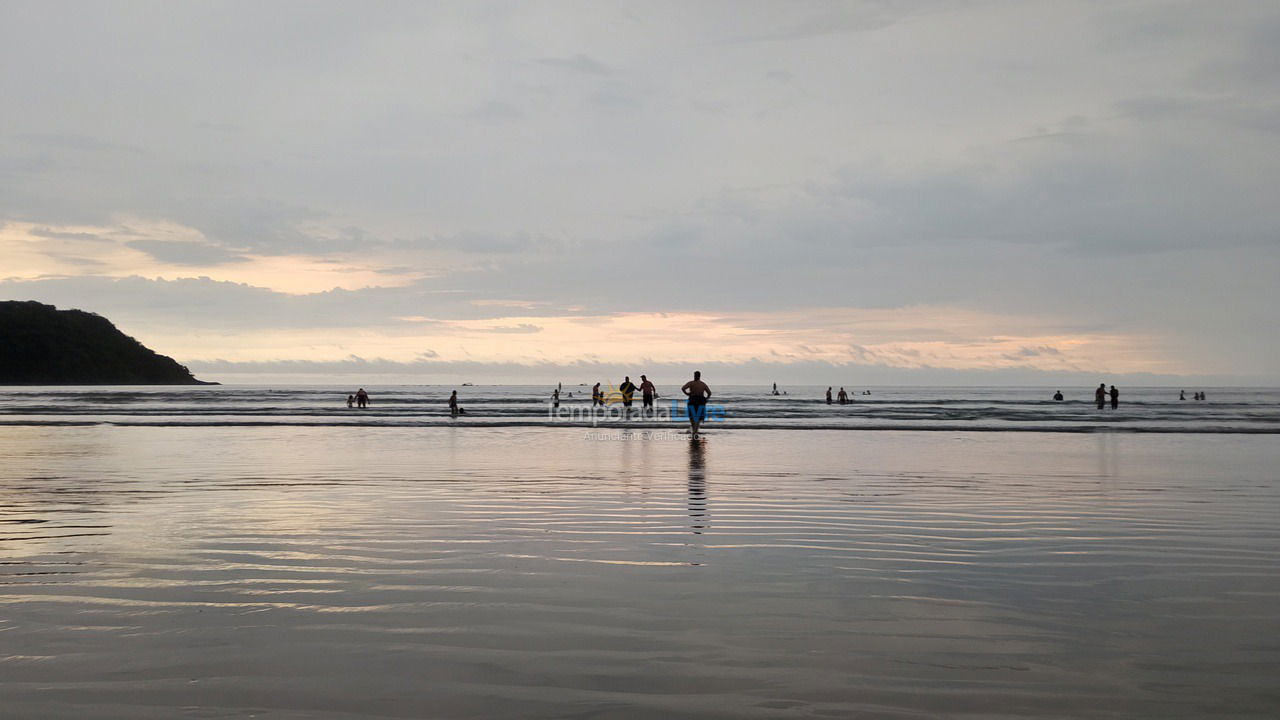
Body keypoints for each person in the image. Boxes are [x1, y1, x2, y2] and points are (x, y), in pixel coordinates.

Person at [682, 370, 712, 438]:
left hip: (692, 399)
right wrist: (706, 399)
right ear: (699, 376)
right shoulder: (703, 384)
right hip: (700, 400)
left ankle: (694, 429)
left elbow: (683, 388)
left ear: (695, 376)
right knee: (697, 416)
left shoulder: (691, 383)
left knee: (692, 416)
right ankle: (695, 430)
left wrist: (687, 394)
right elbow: (709, 393)